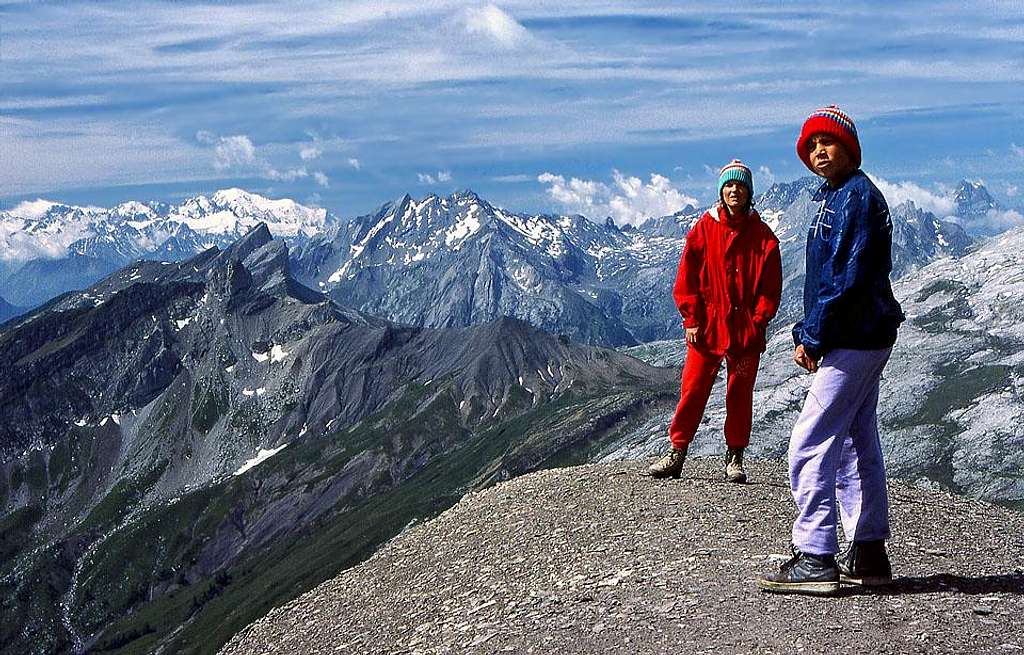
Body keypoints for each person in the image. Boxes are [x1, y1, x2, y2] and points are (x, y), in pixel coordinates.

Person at [757, 105, 905, 595]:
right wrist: (807, 329)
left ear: (850, 148)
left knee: (811, 439)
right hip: (863, 334)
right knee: (855, 440)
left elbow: (845, 281)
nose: (820, 151)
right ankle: (868, 551)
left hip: (853, 335)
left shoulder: (854, 199)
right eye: (811, 145)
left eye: (829, 142)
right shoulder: (838, 195)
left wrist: (813, 337)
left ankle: (816, 554)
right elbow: (830, 279)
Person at [646, 160, 782, 483]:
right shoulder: (704, 229)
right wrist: (691, 319)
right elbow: (687, 277)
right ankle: (677, 452)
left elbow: (770, 288)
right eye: (729, 186)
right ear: (721, 192)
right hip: (707, 326)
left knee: (739, 392)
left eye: (740, 186)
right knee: (692, 389)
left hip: (744, 330)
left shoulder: (765, 238)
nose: (734, 190)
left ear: (749, 193)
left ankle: (735, 456)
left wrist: (758, 322)